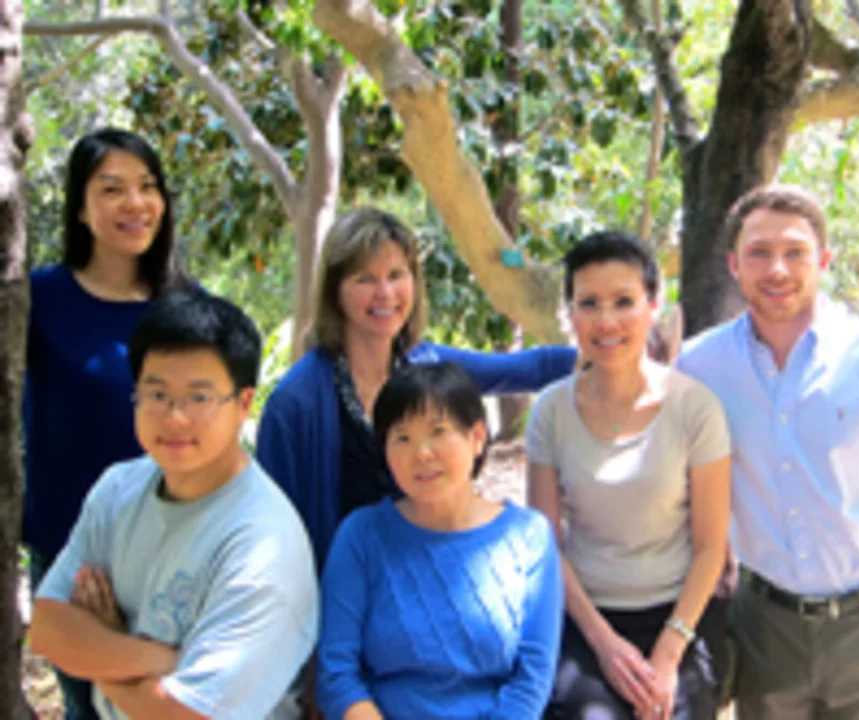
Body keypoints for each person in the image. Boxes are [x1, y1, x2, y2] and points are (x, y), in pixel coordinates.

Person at [675, 184, 859, 719]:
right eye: (759, 252)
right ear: (734, 264)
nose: (777, 269)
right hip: (763, 623)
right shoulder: (699, 370)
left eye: (795, 252)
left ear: (823, 261)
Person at [29, 291, 318, 719]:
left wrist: (102, 649)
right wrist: (153, 657)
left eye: (199, 398)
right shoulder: (118, 489)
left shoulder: (262, 545)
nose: (175, 417)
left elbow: (188, 716)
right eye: (157, 394)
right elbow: (48, 630)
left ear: (242, 405)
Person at [255, 207, 578, 575]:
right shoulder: (296, 404)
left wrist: (622, 355)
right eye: (365, 279)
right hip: (342, 603)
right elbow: (271, 537)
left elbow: (532, 368)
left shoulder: (424, 367)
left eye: (397, 274)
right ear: (335, 292)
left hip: (427, 581)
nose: (386, 293)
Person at [527, 231, 732, 720]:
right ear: (570, 314)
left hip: (678, 616)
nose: (606, 321)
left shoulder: (694, 407)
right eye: (589, 303)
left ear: (653, 305)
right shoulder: (551, 411)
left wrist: (666, 655)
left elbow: (710, 547)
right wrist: (604, 645)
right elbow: (545, 543)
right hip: (585, 617)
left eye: (624, 301)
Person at [23, 127, 186, 719]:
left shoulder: (183, 308)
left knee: (165, 705)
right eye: (112, 188)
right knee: (91, 707)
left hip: (174, 551)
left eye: (147, 187)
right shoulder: (37, 300)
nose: (135, 203)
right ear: (81, 207)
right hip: (74, 553)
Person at [318, 362, 564, 719]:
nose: (422, 453)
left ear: (477, 436)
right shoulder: (360, 535)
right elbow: (337, 672)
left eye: (438, 431)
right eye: (402, 437)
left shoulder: (528, 537)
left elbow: (532, 680)